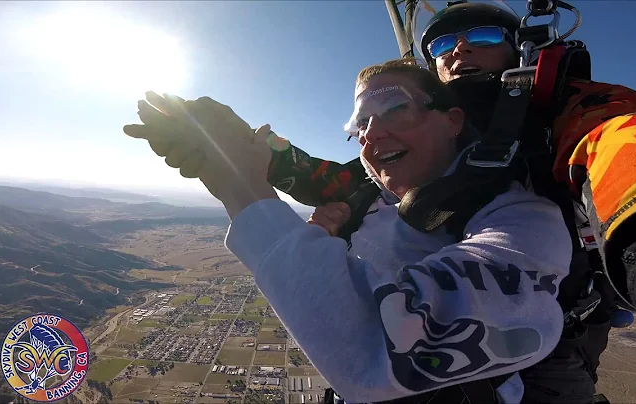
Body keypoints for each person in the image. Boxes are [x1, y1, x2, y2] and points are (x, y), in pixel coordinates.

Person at [124, 60, 574, 403]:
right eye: (360, 122)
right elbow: (302, 171)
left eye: (395, 108)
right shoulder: (363, 199)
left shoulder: (520, 219)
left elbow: (382, 346)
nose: (372, 132)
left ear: (451, 120)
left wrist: (239, 183)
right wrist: (237, 149)